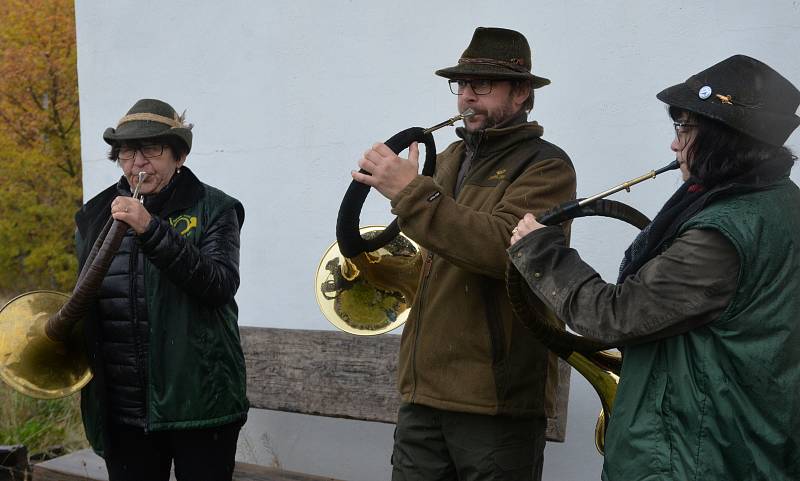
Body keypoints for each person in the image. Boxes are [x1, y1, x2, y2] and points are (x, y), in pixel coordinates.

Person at [509, 54, 800, 480]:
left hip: (694, 456)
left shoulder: (721, 234)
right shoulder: (780, 200)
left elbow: (613, 315)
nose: (674, 144)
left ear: (724, 137)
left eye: (685, 127)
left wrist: (540, 252)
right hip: (736, 443)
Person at [353, 27, 576, 480]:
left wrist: (410, 193)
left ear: (522, 94)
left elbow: (504, 249)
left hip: (494, 404)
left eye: (483, 85)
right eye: (462, 85)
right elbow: (437, 251)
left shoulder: (547, 166)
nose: (467, 97)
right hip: (423, 395)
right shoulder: (450, 155)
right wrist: (380, 267)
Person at [74, 99, 249, 481]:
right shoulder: (93, 213)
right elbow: (85, 302)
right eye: (127, 152)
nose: (138, 162)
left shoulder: (216, 208)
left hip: (201, 406)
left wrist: (151, 229)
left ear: (178, 156)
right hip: (123, 411)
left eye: (152, 149)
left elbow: (219, 285)